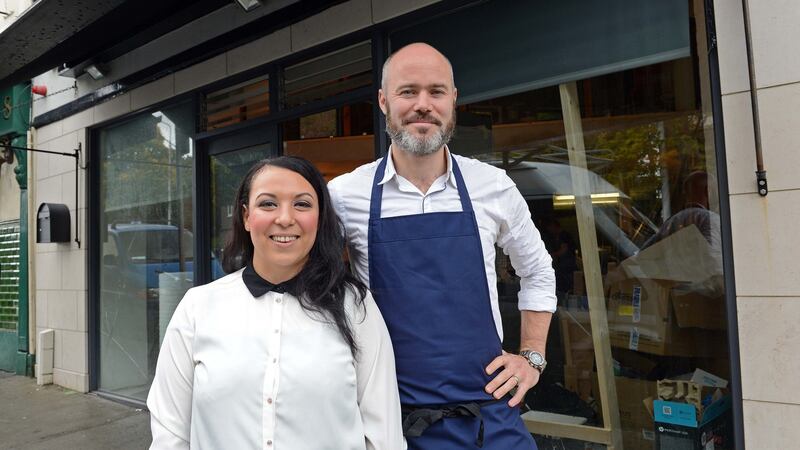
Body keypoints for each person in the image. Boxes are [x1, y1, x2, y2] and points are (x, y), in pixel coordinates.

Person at [329, 43, 557, 449]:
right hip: (395, 424)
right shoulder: (345, 195)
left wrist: (532, 357)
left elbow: (537, 271)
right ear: (383, 101)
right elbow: (312, 287)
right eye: (407, 91)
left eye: (436, 91)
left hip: (491, 417)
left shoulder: (493, 185)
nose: (423, 104)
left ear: (453, 100)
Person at [147, 156, 405, 449]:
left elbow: (384, 436)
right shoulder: (198, 307)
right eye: (268, 203)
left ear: (320, 219)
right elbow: (170, 433)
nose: (284, 218)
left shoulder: (356, 308)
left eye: (302, 204)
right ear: (246, 216)